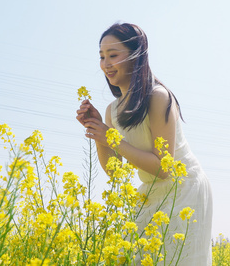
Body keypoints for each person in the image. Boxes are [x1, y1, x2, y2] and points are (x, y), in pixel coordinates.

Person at [76, 23, 213, 265]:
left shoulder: (158, 97)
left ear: (135, 56)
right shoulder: (112, 110)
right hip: (150, 192)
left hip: (184, 189)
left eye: (113, 55)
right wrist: (98, 133)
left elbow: (164, 168)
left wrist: (111, 138)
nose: (106, 64)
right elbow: (114, 172)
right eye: (101, 57)